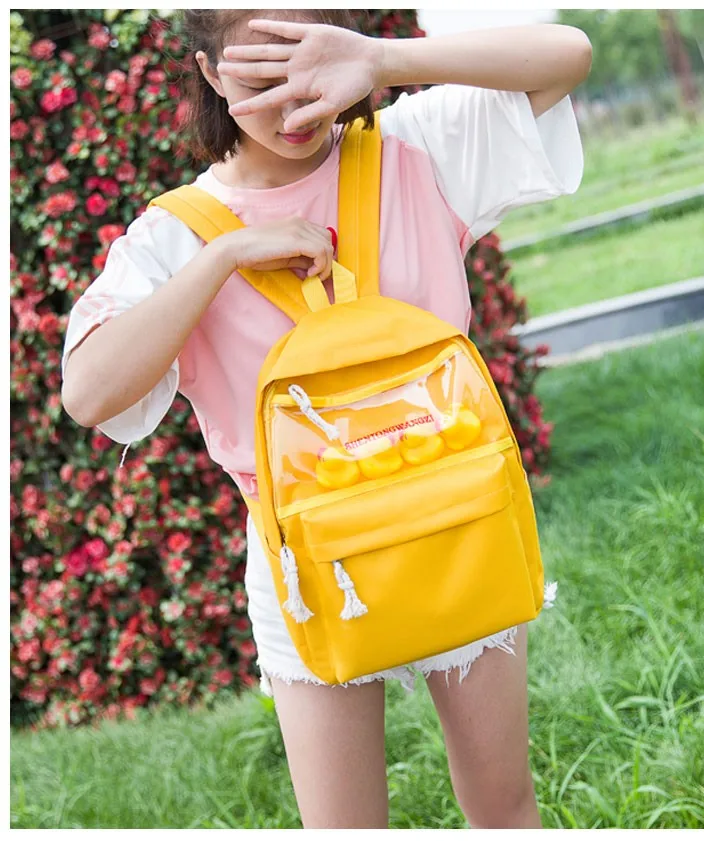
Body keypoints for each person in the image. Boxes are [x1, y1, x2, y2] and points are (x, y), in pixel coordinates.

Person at [61, 9, 591, 829]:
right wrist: (224, 256)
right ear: (209, 72)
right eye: (261, 77)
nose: (296, 102)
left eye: (309, 64)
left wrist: (377, 59)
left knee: (502, 804)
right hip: (307, 569)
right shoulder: (178, 238)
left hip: (457, 521)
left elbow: (569, 54)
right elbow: (89, 393)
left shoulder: (411, 149)